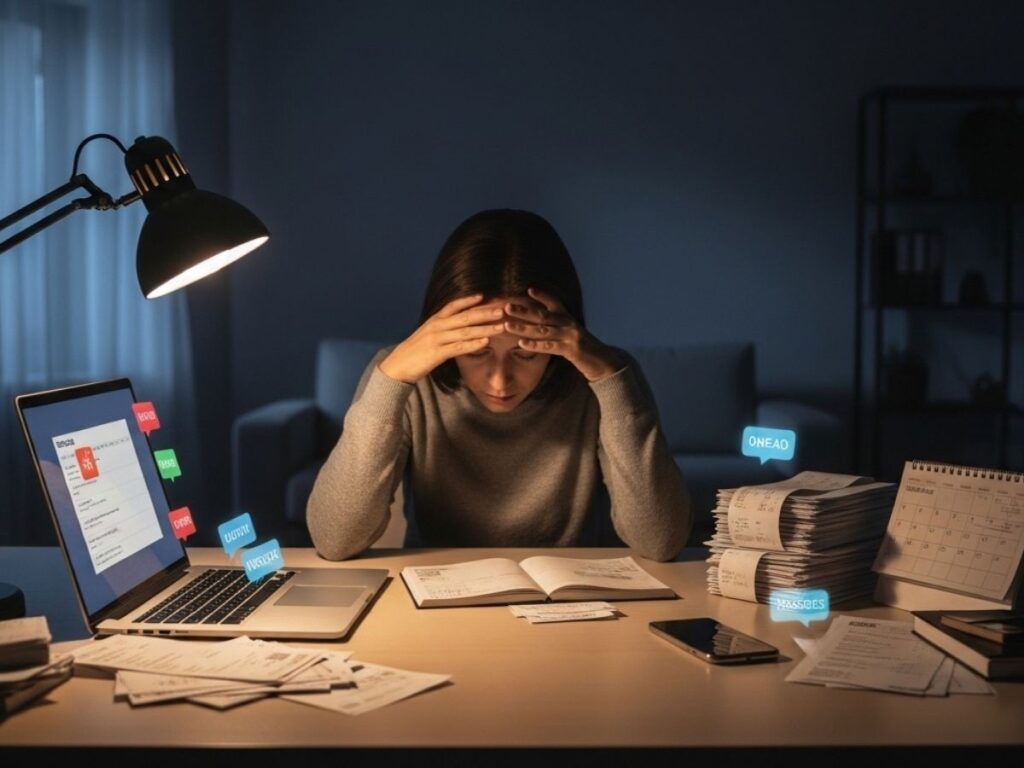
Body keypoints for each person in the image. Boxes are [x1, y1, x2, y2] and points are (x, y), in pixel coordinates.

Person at [307, 209, 691, 561]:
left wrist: (610, 380)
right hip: (437, 591)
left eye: (526, 354)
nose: (500, 380)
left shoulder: (605, 377)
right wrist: (391, 381)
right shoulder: (402, 375)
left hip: (574, 596)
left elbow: (661, 542)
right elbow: (334, 540)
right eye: (477, 352)